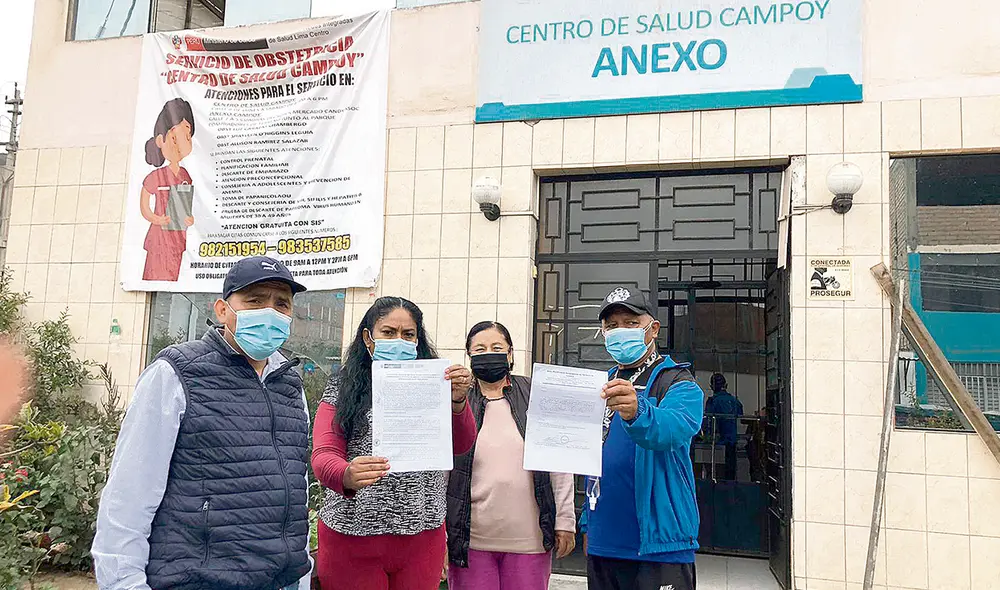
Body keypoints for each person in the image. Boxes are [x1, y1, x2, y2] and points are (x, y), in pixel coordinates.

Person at [92, 256, 313, 590]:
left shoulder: (290, 384)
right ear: (223, 310)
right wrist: (124, 582)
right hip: (199, 579)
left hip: (279, 580)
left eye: (281, 303)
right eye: (255, 301)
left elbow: (296, 489)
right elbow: (129, 496)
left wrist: (301, 574)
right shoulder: (176, 373)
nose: (270, 312)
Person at [311, 296, 478, 590]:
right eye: (388, 333)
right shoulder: (343, 386)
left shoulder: (434, 382)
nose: (399, 341)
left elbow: (462, 444)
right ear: (368, 338)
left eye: (408, 334)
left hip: (422, 534)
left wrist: (457, 401)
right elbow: (324, 451)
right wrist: (345, 473)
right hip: (353, 535)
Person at [581, 287, 704, 590]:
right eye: (612, 325)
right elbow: (590, 456)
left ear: (653, 329)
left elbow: (672, 428)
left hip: (660, 545)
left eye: (631, 323)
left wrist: (638, 411)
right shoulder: (601, 384)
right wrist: (587, 523)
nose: (620, 331)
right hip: (604, 542)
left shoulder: (678, 382)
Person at [446, 321, 577, 590]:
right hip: (471, 543)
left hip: (530, 541)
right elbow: (443, 469)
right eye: (480, 349)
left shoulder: (535, 393)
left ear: (510, 353)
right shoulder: (456, 401)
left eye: (497, 348)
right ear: (469, 355)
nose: (488, 354)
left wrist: (565, 520)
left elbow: (559, 461)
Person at [139, 98, 196, 282]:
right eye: (175, 138)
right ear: (160, 140)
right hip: (158, 238)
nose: (181, 144)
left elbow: (187, 204)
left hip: (177, 238)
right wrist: (156, 219)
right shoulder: (156, 176)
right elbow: (144, 204)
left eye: (187, 137)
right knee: (155, 275)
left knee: (172, 276)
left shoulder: (185, 175)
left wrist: (188, 218)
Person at [704, 373, 744, 481]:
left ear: (711, 387)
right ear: (726, 385)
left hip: (717, 443)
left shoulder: (712, 401)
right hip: (732, 442)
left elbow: (708, 423)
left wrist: (706, 437)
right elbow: (741, 417)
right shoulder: (735, 401)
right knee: (730, 474)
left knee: (714, 475)